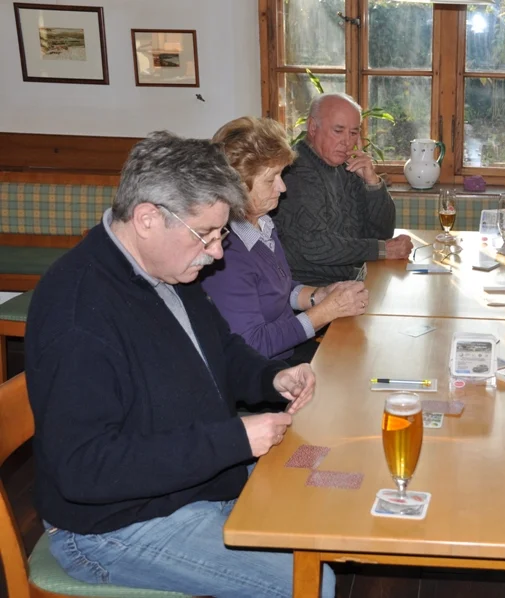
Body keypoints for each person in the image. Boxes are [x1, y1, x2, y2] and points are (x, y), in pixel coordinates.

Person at [24, 131, 335, 598]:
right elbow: (85, 467)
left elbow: (223, 348)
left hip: (189, 480)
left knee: (327, 486)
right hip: (112, 527)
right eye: (206, 234)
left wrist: (272, 376)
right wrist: (233, 438)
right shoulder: (78, 312)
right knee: (309, 583)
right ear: (148, 218)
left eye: (221, 233)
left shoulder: (166, 266)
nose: (216, 252)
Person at [202, 116, 369, 364]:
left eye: (281, 175)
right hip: (262, 374)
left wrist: (317, 296)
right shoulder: (224, 252)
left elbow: (278, 288)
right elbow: (254, 345)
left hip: (286, 354)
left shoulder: (263, 223)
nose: (282, 187)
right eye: (271, 179)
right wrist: (324, 312)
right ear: (236, 186)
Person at [274, 93, 413, 285]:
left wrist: (373, 184)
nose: (347, 142)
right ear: (313, 127)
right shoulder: (296, 171)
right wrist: (383, 249)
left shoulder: (344, 166)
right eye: (338, 131)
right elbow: (316, 246)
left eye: (353, 133)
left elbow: (382, 233)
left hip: (348, 281)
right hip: (309, 292)